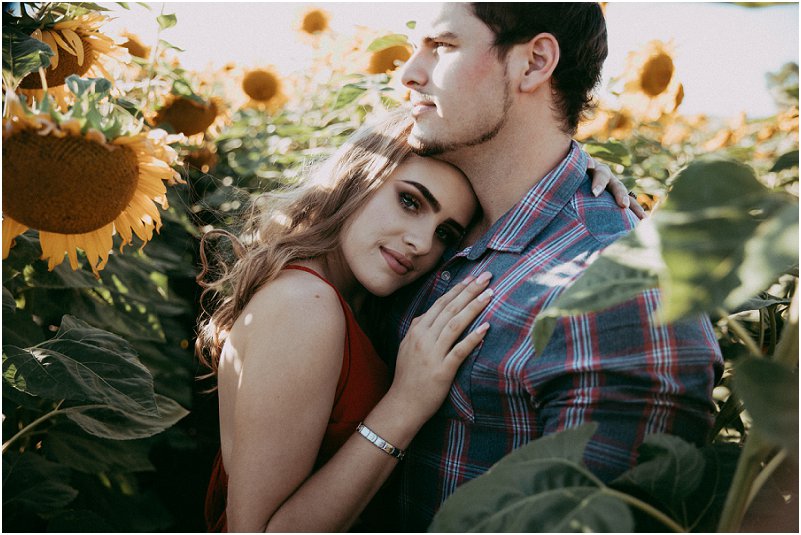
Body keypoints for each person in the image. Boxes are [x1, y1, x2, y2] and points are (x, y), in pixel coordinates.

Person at [196, 110, 634, 532]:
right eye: (410, 201)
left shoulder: (354, 298)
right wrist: (406, 405)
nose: (421, 242)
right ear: (357, 177)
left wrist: (580, 185)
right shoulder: (303, 304)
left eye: (446, 233)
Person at [386, 3, 724, 529]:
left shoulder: (620, 292)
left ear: (534, 62)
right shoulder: (425, 202)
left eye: (444, 46)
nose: (408, 72)